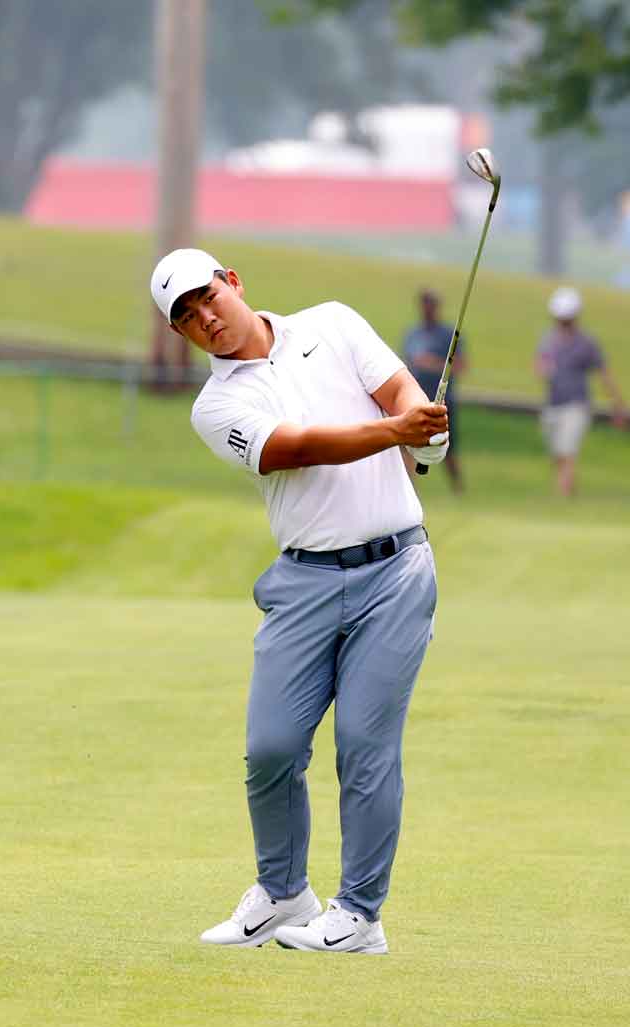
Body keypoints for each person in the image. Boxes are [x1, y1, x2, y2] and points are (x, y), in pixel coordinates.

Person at [152, 247, 448, 956]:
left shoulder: (333, 324)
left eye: (207, 299)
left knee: (365, 748)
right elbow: (299, 447)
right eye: (187, 319)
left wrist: (425, 426)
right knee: (271, 748)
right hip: (305, 582)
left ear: (233, 282)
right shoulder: (217, 405)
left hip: (394, 570)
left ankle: (359, 916)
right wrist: (396, 433)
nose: (206, 320)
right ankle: (286, 894)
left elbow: (400, 390)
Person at [535, 286, 629, 496]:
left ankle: (562, 496)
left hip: (576, 404)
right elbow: (539, 363)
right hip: (553, 402)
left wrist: (617, 404)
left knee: (567, 451)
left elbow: (603, 373)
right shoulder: (548, 339)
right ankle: (569, 492)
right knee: (557, 453)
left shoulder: (587, 342)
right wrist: (543, 370)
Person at [400, 288, 465, 493]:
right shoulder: (413, 333)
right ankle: (409, 489)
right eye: (424, 304)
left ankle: (458, 488)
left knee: (447, 446)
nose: (427, 308)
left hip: (442, 399)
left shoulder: (447, 334)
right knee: (409, 443)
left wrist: (431, 363)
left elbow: (461, 366)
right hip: (416, 397)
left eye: (430, 304)